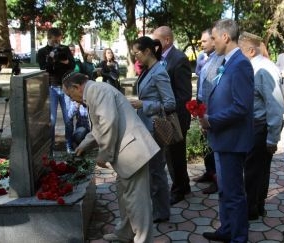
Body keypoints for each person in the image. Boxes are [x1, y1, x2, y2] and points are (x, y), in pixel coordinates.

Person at [62, 71, 159, 243]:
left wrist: (103, 154)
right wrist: (85, 144)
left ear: (77, 87)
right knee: (124, 196)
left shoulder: (97, 91)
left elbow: (108, 122)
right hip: (128, 153)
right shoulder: (94, 91)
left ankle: (143, 239)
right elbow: (99, 126)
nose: (71, 99)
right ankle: (125, 233)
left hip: (133, 152)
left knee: (137, 202)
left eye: (70, 94)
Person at [199, 19, 254, 243]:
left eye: (213, 37)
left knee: (233, 194)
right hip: (222, 138)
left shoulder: (240, 63)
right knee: (225, 191)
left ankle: (239, 237)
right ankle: (227, 229)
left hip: (232, 140)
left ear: (225, 37)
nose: (211, 41)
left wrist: (211, 120)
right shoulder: (227, 60)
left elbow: (241, 106)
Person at [238, 32, 284, 220]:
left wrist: (273, 137)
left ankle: (253, 207)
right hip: (255, 125)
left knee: (255, 169)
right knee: (257, 169)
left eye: (239, 50)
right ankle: (256, 206)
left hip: (260, 126)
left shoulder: (263, 68)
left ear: (250, 50)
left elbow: (275, 105)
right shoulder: (254, 66)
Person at [130, 36, 176, 223]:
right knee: (152, 171)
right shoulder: (149, 70)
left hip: (156, 129)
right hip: (146, 127)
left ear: (148, 51)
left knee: (156, 171)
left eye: (137, 53)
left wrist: (143, 104)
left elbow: (170, 103)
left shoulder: (159, 71)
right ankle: (157, 208)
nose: (136, 58)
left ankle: (161, 212)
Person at [153, 26, 192, 205]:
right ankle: (183, 185)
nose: (154, 44)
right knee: (173, 154)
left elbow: (184, 94)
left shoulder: (179, 59)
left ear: (167, 40)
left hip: (176, 116)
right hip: (167, 114)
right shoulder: (161, 58)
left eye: (157, 40)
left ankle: (178, 190)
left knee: (174, 154)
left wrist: (166, 108)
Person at [194, 28, 225, 194]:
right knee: (206, 144)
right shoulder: (206, 58)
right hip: (203, 108)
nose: (201, 44)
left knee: (213, 146)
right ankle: (209, 172)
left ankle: (217, 180)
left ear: (214, 41)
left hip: (211, 111)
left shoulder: (221, 60)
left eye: (204, 41)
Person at [37, 27, 75, 155]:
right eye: (55, 41)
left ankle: (69, 145)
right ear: (48, 38)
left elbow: (72, 65)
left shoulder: (64, 49)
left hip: (65, 87)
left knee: (68, 119)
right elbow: (44, 69)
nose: (57, 43)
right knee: (52, 121)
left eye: (59, 40)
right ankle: (51, 148)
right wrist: (52, 59)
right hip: (51, 87)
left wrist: (65, 60)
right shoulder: (42, 52)